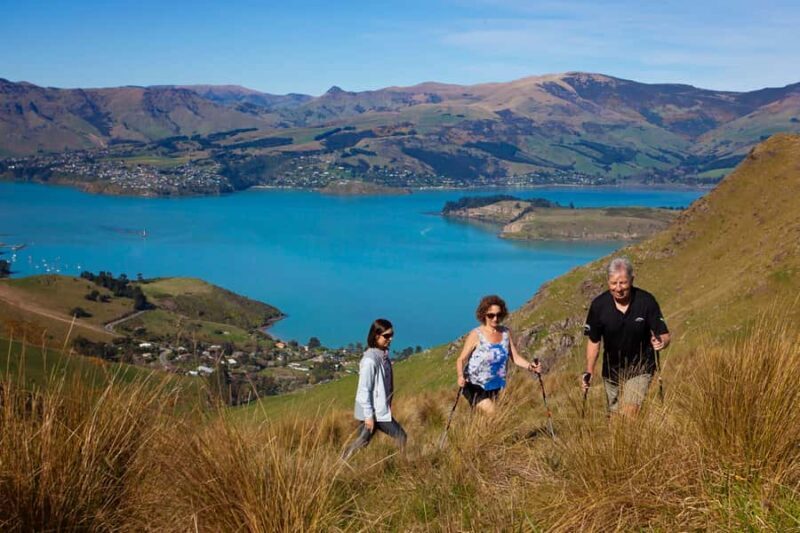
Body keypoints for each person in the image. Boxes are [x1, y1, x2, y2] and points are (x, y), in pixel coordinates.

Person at [582, 257, 671, 417]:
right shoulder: (599, 306)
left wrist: (661, 342)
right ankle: (623, 442)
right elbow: (594, 341)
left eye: (623, 283)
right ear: (607, 282)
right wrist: (588, 371)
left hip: (641, 368)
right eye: (613, 283)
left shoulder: (646, 301)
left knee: (629, 414)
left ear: (632, 279)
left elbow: (664, 334)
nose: (618, 288)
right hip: (611, 371)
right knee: (615, 418)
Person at [456, 295, 541, 414]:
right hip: (474, 384)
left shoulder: (505, 333)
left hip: (496, 385)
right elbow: (460, 359)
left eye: (498, 315)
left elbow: (515, 358)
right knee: (493, 413)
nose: (495, 318)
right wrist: (460, 376)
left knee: (487, 421)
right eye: (491, 315)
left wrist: (530, 367)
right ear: (484, 315)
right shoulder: (476, 334)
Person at [342, 318, 406, 460]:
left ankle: (343, 461)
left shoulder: (382, 356)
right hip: (371, 411)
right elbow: (365, 389)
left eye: (391, 335)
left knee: (363, 441)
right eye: (387, 336)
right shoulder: (370, 360)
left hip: (378, 409)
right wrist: (369, 416)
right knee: (400, 436)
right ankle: (401, 464)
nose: (391, 339)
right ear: (376, 336)